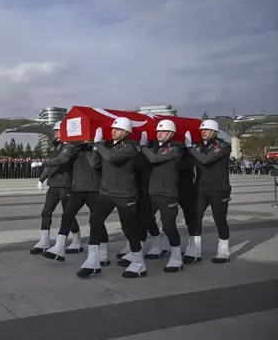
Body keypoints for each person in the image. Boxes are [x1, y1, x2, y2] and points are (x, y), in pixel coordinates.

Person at [77, 117, 145, 279]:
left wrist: (99, 144)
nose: (114, 131)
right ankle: (93, 262)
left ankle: (138, 264)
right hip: (106, 192)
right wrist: (95, 146)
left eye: (118, 129)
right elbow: (94, 163)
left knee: (128, 229)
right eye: (113, 129)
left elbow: (111, 157)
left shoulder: (130, 148)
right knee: (95, 222)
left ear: (126, 132)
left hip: (125, 194)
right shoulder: (106, 147)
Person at [42, 143, 110, 264]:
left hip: (94, 189)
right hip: (77, 188)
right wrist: (71, 145)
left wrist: (95, 144)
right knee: (67, 215)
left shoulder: (98, 146)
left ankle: (104, 253)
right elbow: (62, 159)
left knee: (96, 221)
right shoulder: (74, 147)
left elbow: (94, 163)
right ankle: (59, 247)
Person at [136, 119, 184, 273]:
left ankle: (176, 257)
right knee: (144, 222)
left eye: (162, 131)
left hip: (167, 193)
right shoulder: (153, 147)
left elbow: (155, 158)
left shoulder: (175, 148)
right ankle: (140, 253)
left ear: (171, 133)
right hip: (151, 192)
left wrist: (143, 146)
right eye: (157, 131)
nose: (159, 134)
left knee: (169, 226)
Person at [183, 119, 232, 264]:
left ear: (214, 132)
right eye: (201, 130)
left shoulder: (223, 145)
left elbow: (206, 160)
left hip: (219, 189)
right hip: (201, 188)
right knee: (195, 218)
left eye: (206, 130)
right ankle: (195, 249)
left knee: (220, 219)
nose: (202, 132)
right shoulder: (199, 146)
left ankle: (223, 250)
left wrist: (190, 147)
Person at [30, 121, 80, 255]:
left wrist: (42, 162)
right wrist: (42, 179)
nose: (55, 133)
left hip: (66, 184)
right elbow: (50, 165)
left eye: (57, 130)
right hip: (53, 184)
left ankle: (76, 239)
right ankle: (44, 241)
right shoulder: (54, 147)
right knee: (46, 212)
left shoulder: (71, 146)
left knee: (67, 214)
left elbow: (62, 160)